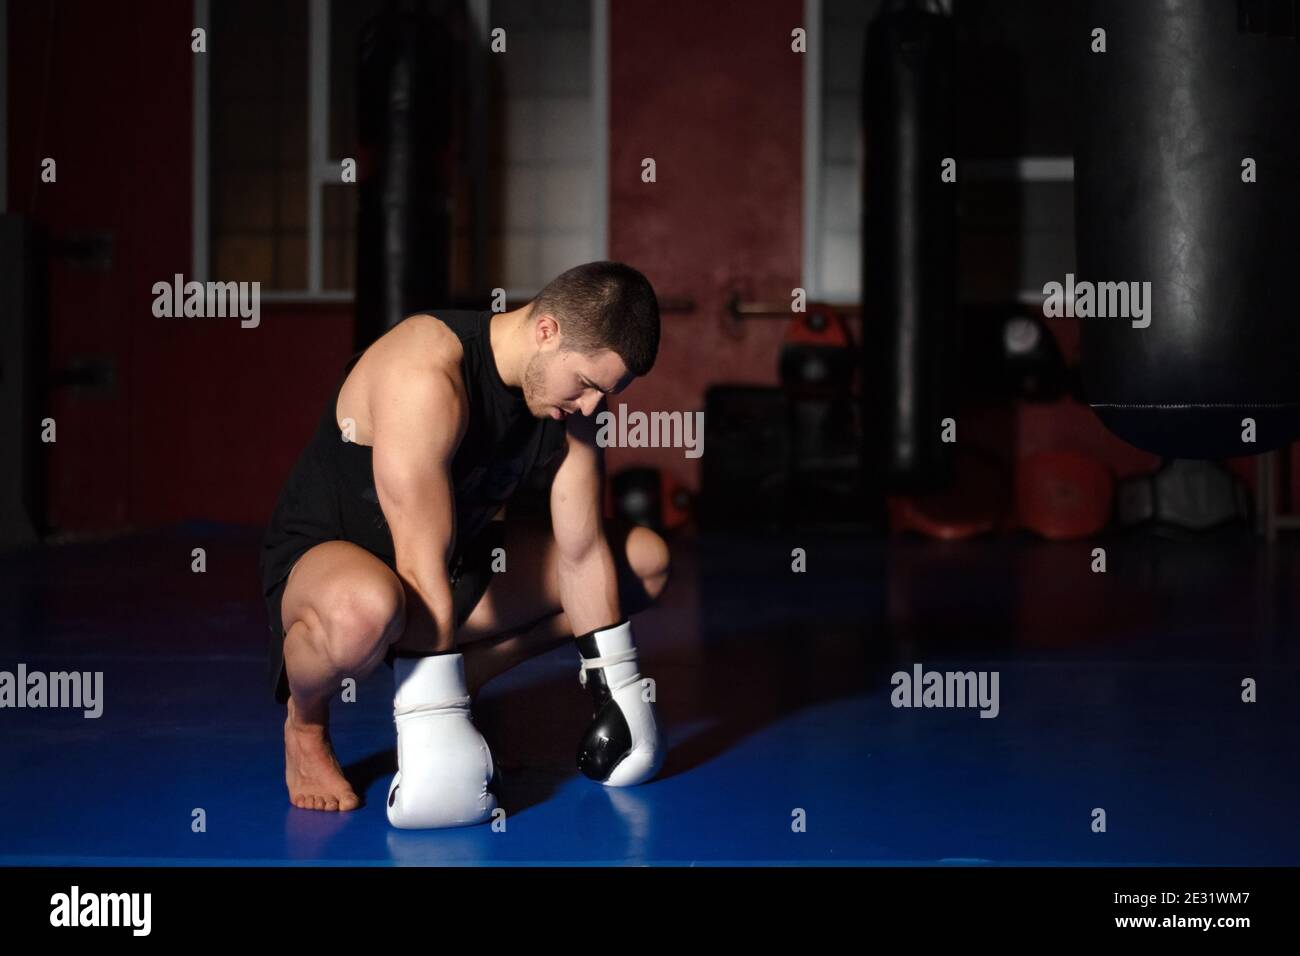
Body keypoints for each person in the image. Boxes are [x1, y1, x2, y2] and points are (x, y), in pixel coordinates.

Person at [258, 261, 670, 827]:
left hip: (458, 564)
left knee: (645, 563)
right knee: (369, 608)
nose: (594, 408)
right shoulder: (426, 373)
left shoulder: (570, 403)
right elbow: (418, 564)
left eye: (608, 391)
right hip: (338, 569)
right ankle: (304, 722)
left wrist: (618, 689)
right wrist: (435, 719)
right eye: (588, 385)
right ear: (546, 330)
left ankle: (469, 672)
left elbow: (581, 551)